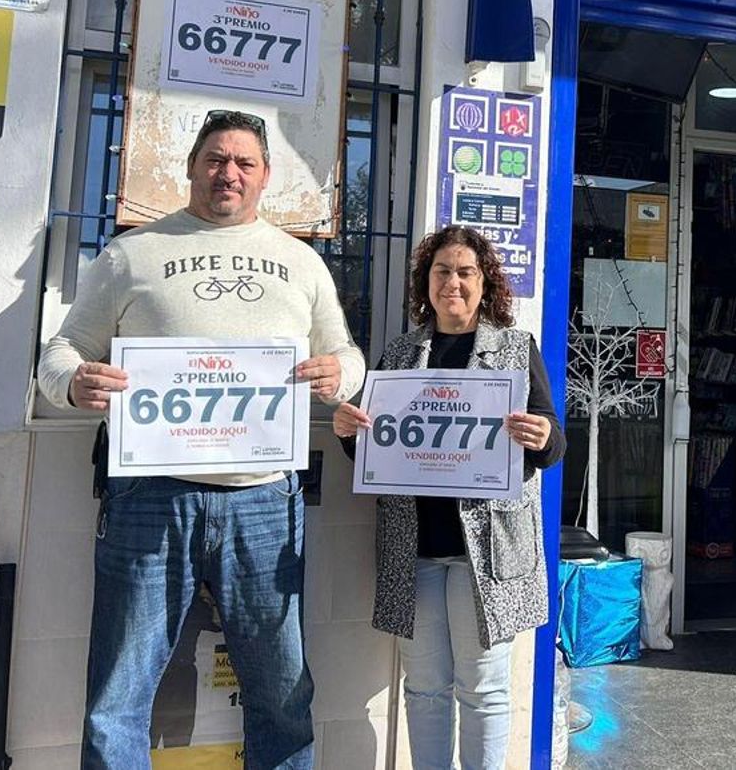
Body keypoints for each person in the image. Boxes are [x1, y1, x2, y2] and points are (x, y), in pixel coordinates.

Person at [36, 109, 366, 770]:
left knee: (282, 695)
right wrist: (74, 385)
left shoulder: (301, 263)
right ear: (190, 167)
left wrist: (341, 375)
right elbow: (62, 351)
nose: (229, 173)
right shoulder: (131, 254)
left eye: (244, 162)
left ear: (265, 176)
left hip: (267, 504)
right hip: (149, 499)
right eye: (216, 159)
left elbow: (347, 355)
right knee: (117, 698)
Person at [333, 226, 565, 770]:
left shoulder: (514, 348)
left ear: (485, 283)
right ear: (426, 280)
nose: (452, 283)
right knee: (424, 687)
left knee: (483, 689)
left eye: (465, 272)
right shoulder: (399, 352)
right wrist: (349, 431)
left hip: (485, 553)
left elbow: (552, 437)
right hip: (414, 550)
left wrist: (543, 437)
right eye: (442, 271)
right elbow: (375, 451)